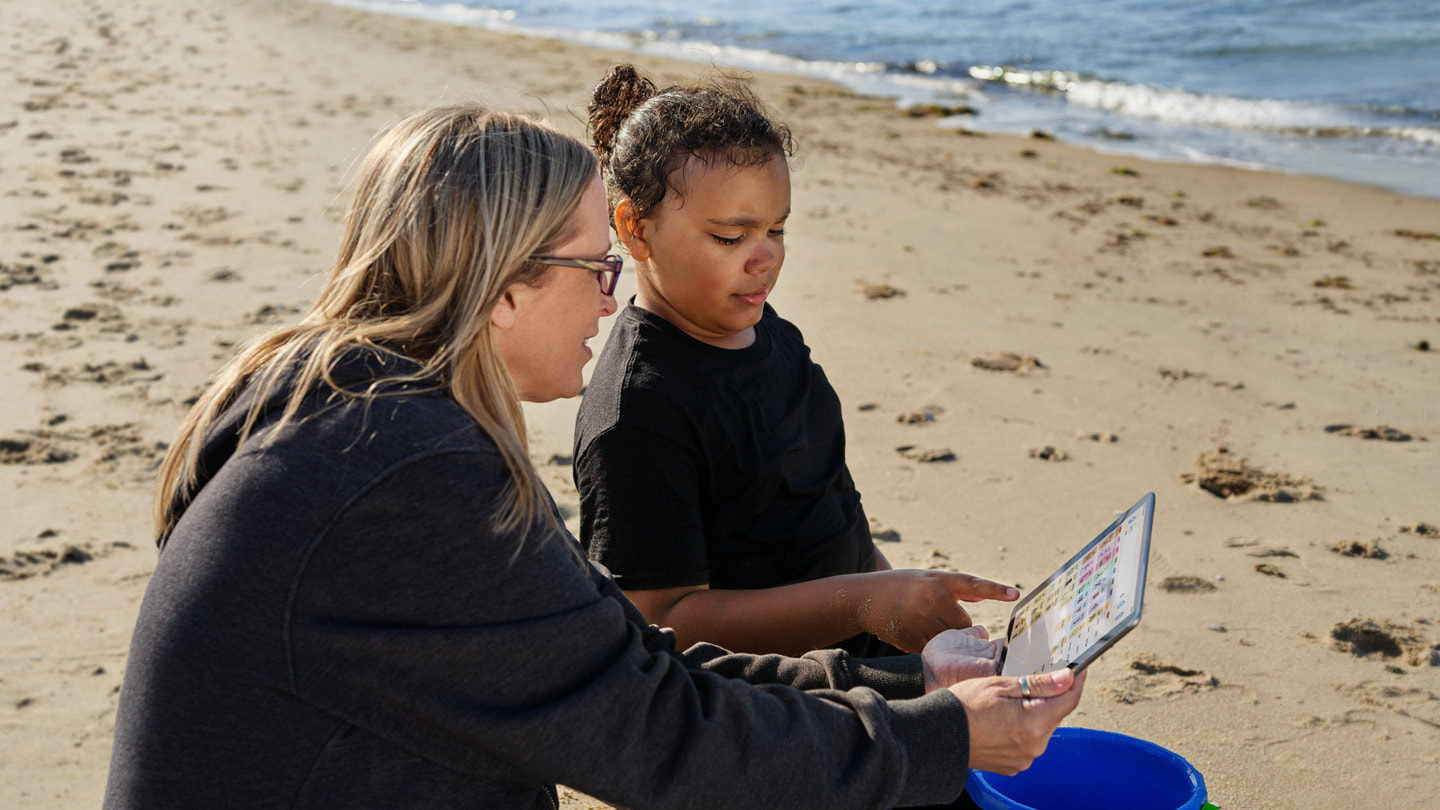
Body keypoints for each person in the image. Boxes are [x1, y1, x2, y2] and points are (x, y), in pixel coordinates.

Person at [103, 104, 1084, 810]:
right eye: (596, 269)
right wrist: (937, 742)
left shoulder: (358, 409)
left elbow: (625, 666)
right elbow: (655, 740)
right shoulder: (399, 472)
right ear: (504, 288)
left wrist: (918, 685)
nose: (612, 301)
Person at [575, 65, 1009, 659]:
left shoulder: (770, 333)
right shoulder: (638, 412)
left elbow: (831, 508)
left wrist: (895, 603)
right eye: (731, 237)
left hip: (868, 648)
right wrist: (866, 602)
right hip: (778, 705)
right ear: (635, 228)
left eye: (777, 229)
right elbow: (660, 621)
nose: (766, 259)